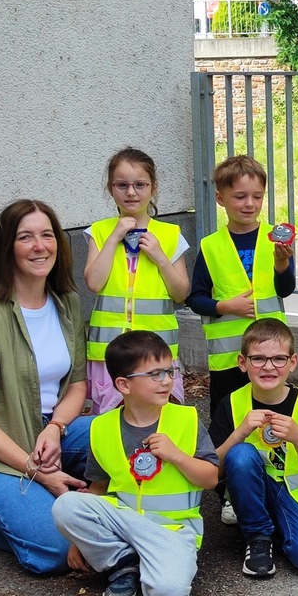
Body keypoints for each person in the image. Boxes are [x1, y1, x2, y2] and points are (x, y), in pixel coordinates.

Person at [0, 199, 92, 575]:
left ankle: (43, 499)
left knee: (127, 436)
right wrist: (37, 471)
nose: (39, 246)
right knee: (64, 549)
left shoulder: (67, 304)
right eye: (25, 237)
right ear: (7, 249)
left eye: (47, 235)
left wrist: (55, 428)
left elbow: (77, 385)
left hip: (48, 432)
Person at [52, 331, 219, 596]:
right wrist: (79, 540)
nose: (167, 381)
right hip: (123, 525)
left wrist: (176, 455)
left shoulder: (186, 419)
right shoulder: (101, 427)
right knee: (66, 505)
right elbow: (97, 489)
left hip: (173, 531)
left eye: (169, 371)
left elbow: (211, 479)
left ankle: (146, 563)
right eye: (154, 374)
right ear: (124, 385)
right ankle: (123, 564)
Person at [187, 155, 295, 527]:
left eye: (257, 196)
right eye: (239, 197)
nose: (249, 204)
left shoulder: (273, 240)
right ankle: (229, 493)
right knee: (227, 423)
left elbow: (286, 289)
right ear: (220, 199)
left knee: (272, 419)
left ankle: (275, 482)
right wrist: (223, 305)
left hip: (269, 359)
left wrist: (283, 265)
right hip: (228, 360)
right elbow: (194, 296)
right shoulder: (212, 246)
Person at [209, 319, 298, 578]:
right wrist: (239, 433)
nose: (268, 367)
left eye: (278, 359)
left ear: (292, 362)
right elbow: (211, 472)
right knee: (241, 454)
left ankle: (276, 523)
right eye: (258, 359)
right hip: (251, 488)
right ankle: (258, 536)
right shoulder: (231, 403)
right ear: (243, 363)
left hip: (292, 494)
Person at [84, 147, 190, 413]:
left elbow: (181, 293)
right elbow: (94, 283)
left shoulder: (170, 234)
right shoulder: (99, 231)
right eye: (122, 185)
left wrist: (160, 257)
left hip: (156, 353)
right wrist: (113, 238)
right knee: (111, 424)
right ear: (110, 188)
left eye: (140, 185)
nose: (131, 193)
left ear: (153, 187)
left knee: (160, 421)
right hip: (109, 355)